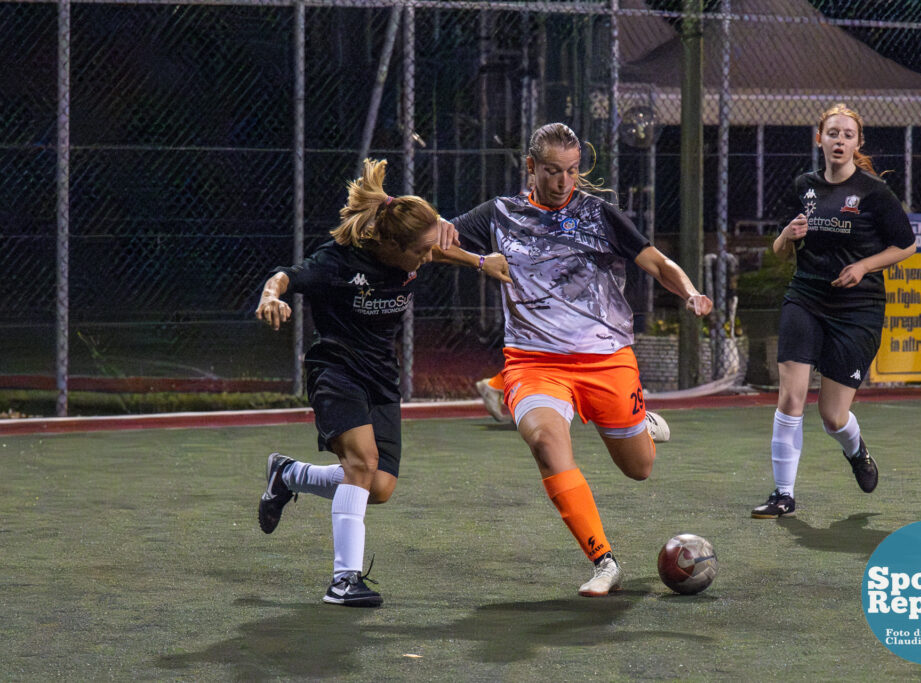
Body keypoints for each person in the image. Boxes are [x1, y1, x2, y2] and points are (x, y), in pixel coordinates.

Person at [452, 122, 713, 596]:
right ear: (531, 167)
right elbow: (437, 239)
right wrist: (471, 258)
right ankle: (604, 561)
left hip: (606, 360)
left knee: (639, 469)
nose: (563, 182)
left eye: (572, 172)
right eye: (552, 171)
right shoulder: (499, 214)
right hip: (534, 362)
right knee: (546, 443)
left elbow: (655, 262)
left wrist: (691, 291)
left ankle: (642, 422)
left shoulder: (598, 214)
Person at [255, 158, 510, 606]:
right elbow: (288, 275)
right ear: (391, 245)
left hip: (379, 373)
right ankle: (343, 581)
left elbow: (438, 248)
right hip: (336, 369)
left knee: (380, 487)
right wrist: (270, 295)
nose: (429, 258)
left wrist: (477, 262)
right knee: (362, 462)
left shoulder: (413, 248)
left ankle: (288, 474)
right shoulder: (338, 263)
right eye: (421, 253)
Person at [751, 104, 917, 519]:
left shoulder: (875, 192)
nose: (839, 140)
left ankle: (856, 450)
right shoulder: (803, 186)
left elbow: (907, 244)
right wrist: (787, 235)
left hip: (857, 310)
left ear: (857, 143)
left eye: (847, 135)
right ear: (819, 139)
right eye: (832, 133)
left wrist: (863, 266)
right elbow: (778, 249)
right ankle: (783, 494)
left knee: (832, 415)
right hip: (805, 298)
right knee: (790, 397)